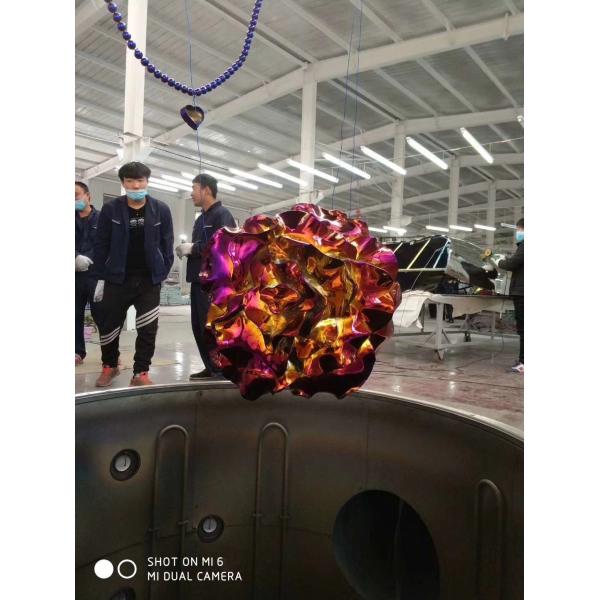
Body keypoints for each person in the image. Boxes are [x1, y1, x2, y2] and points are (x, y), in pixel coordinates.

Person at [92, 162, 174, 387]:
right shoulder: (111, 209)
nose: (136, 186)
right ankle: (110, 366)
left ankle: (141, 372)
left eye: (140, 181)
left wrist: (161, 271)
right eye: (130, 181)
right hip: (117, 278)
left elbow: (167, 243)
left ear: (147, 181)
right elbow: (100, 244)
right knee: (109, 326)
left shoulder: (161, 209)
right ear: (123, 183)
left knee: (148, 328)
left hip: (148, 280)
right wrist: (103, 273)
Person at [175, 173, 236, 379]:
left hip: (213, 283)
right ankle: (211, 366)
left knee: (211, 328)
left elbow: (223, 246)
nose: (191, 193)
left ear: (206, 190)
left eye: (194, 188)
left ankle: (221, 369)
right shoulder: (201, 218)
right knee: (199, 327)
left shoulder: (222, 215)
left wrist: (193, 248)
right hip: (197, 280)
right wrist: (190, 249)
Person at [75, 181, 101, 366]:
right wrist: (74, 257)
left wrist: (89, 259)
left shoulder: (102, 219)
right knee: (74, 314)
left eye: (75, 195)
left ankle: (110, 354)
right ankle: (77, 351)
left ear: (88, 196)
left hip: (96, 275)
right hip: (74, 274)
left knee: (102, 315)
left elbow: (106, 244)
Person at [495, 217, 524, 373]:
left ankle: (523, 363)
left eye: (519, 229)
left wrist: (499, 262)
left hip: (522, 292)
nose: (518, 233)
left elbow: (512, 264)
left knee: (523, 329)